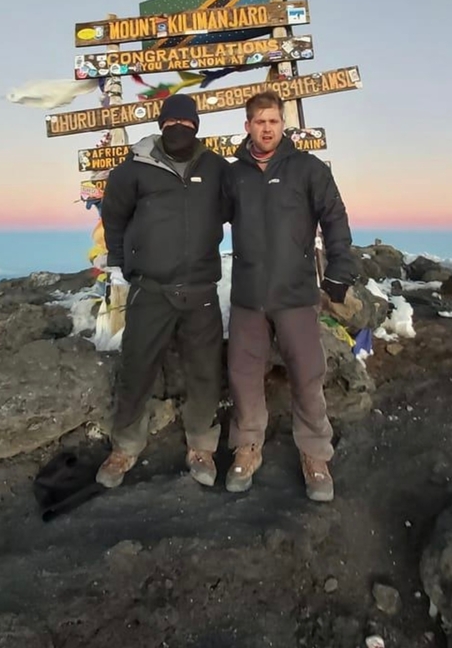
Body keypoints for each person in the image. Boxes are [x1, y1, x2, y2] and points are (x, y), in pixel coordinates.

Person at [223, 90, 358, 502]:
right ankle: (247, 447)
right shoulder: (234, 175)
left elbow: (334, 217)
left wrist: (340, 271)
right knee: (244, 376)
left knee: (307, 375)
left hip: (296, 292)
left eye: (274, 121)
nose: (267, 128)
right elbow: (202, 220)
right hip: (248, 295)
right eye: (259, 121)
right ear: (247, 126)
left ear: (283, 125)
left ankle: (315, 455)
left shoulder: (307, 169)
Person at [97, 93, 229, 489]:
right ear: (161, 124)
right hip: (150, 288)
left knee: (205, 372)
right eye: (173, 123)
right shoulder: (134, 169)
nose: (180, 129)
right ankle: (124, 447)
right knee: (137, 368)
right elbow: (113, 217)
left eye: (187, 124)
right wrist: (124, 264)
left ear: (197, 127)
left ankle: (202, 446)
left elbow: (242, 209)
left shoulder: (217, 168)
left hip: (201, 288)